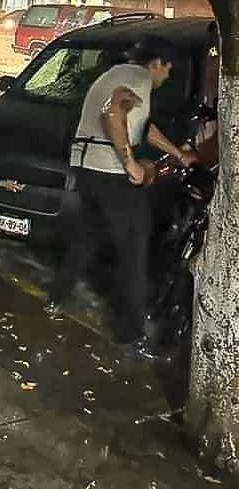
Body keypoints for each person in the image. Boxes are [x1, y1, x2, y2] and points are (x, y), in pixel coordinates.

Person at [46, 36, 196, 361]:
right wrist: (130, 163)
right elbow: (113, 110)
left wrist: (179, 154)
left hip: (86, 167)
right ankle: (131, 336)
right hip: (110, 172)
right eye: (167, 71)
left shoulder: (115, 73)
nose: (166, 78)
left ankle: (56, 298)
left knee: (87, 236)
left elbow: (141, 126)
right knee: (134, 251)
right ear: (157, 64)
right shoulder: (138, 79)